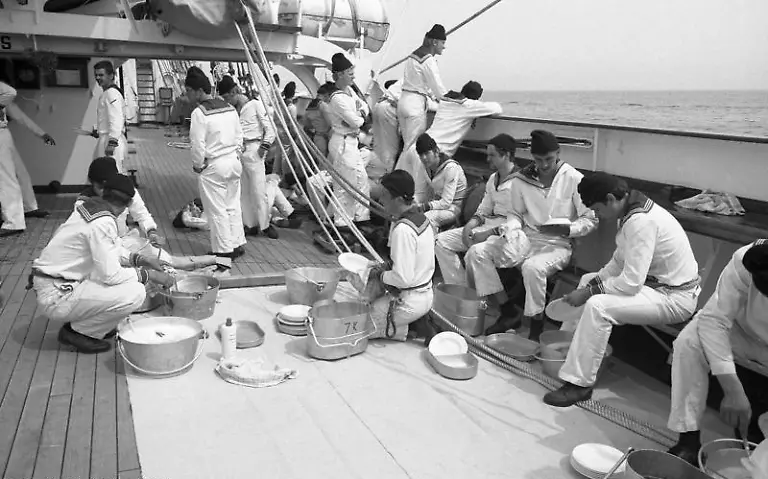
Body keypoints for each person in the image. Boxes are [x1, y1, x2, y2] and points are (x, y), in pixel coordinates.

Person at [543, 171, 701, 407]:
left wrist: (588, 293)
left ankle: (579, 383)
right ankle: (569, 351)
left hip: (674, 297)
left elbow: (630, 282)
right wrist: (591, 285)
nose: (597, 215)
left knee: (598, 306)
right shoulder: (630, 209)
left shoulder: (641, 222)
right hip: (656, 286)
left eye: (597, 210)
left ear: (609, 198)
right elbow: (617, 263)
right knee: (589, 278)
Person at [30, 174, 174, 354]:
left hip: (55, 282)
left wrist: (143, 260)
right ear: (128, 204)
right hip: (57, 294)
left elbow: (111, 248)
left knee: (125, 279)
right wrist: (150, 275)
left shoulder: (90, 208)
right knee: (135, 291)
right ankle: (78, 333)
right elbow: (111, 275)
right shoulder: (103, 222)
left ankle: (94, 325)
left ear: (103, 192)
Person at [482, 130, 597, 340]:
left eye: (549, 159)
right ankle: (508, 311)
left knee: (532, 267)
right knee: (478, 253)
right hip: (525, 238)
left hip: (558, 244)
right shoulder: (521, 180)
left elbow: (590, 218)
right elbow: (515, 213)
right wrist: (511, 229)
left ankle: (536, 325)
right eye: (538, 160)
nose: (544, 165)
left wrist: (569, 229)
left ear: (558, 153)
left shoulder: (573, 179)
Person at [666, 240, 768, 464]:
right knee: (689, 342)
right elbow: (715, 320)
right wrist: (733, 390)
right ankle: (688, 441)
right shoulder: (747, 259)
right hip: (741, 331)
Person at [78, 156, 219, 270]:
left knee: (168, 261)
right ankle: (203, 272)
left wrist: (151, 233)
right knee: (156, 272)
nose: (103, 191)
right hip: (102, 250)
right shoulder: (83, 204)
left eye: (106, 187)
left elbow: (141, 214)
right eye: (99, 187)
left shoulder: (123, 190)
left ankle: (222, 260)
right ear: (92, 183)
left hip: (124, 241)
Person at [435, 134, 519, 288]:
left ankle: (495, 303)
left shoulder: (521, 183)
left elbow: (518, 221)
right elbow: (484, 208)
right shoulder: (493, 178)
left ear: (506, 155)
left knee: (475, 252)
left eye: (492, 155)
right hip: (486, 227)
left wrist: (487, 233)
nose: (488, 160)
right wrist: (469, 226)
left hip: (507, 234)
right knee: (440, 241)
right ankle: (460, 289)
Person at [396, 81, 502, 203]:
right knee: (420, 199)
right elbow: (497, 108)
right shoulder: (469, 106)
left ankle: (394, 221)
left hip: (414, 148)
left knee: (402, 193)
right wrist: (476, 109)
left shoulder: (445, 102)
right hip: (430, 154)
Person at [367, 170, 435, 342]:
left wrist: (380, 274)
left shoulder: (403, 230)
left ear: (397, 200)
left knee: (363, 324)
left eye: (384, 196)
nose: (380, 200)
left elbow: (403, 279)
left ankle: (410, 327)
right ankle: (414, 324)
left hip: (410, 301)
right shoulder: (422, 219)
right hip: (425, 293)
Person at [186, 66, 247, 258]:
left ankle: (223, 251)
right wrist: (236, 153)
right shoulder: (229, 108)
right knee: (233, 205)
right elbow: (239, 136)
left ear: (199, 91)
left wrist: (197, 165)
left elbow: (197, 143)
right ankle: (237, 244)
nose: (187, 95)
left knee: (217, 209)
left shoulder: (200, 113)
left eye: (189, 91)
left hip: (215, 164)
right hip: (234, 162)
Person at [218, 75, 279, 239]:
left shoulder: (256, 105)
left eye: (226, 97)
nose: (226, 101)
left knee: (259, 190)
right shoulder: (233, 111)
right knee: (243, 191)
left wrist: (263, 148)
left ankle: (265, 225)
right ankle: (249, 224)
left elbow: (271, 129)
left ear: (234, 91)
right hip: (240, 152)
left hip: (254, 149)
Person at [0, 81, 56, 237]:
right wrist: (41, 134)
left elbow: (11, 94)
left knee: (6, 178)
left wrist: (42, 134)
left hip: (1, 135)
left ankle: (14, 221)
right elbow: (20, 116)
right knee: (18, 172)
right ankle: (28, 207)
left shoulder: (4, 95)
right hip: (4, 135)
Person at [326, 53, 370, 226]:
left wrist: (359, 115)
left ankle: (360, 217)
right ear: (339, 75)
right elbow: (357, 121)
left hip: (353, 141)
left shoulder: (350, 91)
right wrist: (359, 117)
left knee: (361, 178)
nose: (353, 74)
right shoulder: (337, 98)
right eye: (349, 71)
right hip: (342, 143)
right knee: (345, 184)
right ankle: (342, 222)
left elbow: (364, 108)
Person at [398, 24, 448, 152]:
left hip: (403, 102)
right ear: (435, 42)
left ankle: (401, 171)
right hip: (415, 106)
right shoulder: (428, 60)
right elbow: (439, 90)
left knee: (407, 146)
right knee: (414, 149)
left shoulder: (412, 56)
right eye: (443, 42)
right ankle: (406, 171)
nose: (444, 46)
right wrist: (453, 102)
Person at [413, 133, 467, 231]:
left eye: (426, 153)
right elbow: (420, 193)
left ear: (436, 151)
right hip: (437, 204)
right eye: (421, 155)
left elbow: (446, 202)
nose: (424, 158)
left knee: (425, 219)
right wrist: (412, 203)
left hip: (453, 208)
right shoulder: (423, 166)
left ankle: (432, 244)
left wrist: (425, 206)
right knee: (405, 213)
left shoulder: (450, 167)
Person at [90, 61, 127, 171]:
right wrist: (98, 129)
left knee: (112, 175)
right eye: (96, 75)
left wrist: (112, 142)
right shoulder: (107, 93)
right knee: (104, 174)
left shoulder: (111, 93)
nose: (98, 78)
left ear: (111, 75)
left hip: (111, 141)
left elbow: (116, 118)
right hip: (106, 138)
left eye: (101, 75)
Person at [372, 79, 402, 175]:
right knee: (390, 150)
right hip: (389, 109)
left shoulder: (404, 80)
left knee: (379, 146)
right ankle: (386, 177)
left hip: (378, 106)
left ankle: (378, 175)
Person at [302, 82, 335, 157]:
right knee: (325, 162)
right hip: (326, 137)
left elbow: (306, 123)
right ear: (327, 94)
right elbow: (331, 123)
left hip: (317, 137)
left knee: (319, 160)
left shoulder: (310, 105)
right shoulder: (323, 105)